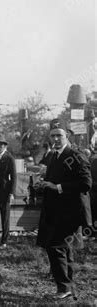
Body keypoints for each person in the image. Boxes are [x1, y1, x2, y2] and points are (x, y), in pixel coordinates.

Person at [35, 119, 92, 299]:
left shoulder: (76, 155)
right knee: (63, 248)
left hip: (70, 212)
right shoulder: (53, 155)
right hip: (55, 211)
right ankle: (68, 287)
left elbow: (86, 184)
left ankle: (64, 288)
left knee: (55, 247)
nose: (56, 139)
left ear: (66, 135)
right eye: (53, 136)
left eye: (59, 135)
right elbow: (53, 180)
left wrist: (57, 186)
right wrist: (43, 184)